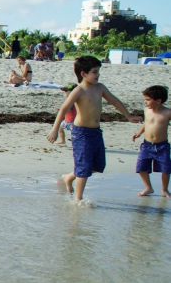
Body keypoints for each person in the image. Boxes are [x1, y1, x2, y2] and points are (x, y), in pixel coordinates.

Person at [46, 56, 141, 202]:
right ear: (83, 73)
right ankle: (78, 200)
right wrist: (55, 129)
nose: (97, 75)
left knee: (97, 165)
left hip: (96, 132)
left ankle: (68, 177)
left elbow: (114, 101)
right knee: (84, 168)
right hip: (81, 133)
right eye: (94, 72)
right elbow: (63, 109)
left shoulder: (100, 88)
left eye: (98, 72)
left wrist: (128, 116)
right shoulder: (79, 91)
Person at [131, 85, 171, 197]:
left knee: (166, 168)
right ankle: (148, 187)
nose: (145, 102)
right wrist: (138, 134)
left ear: (159, 101)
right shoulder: (147, 111)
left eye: (148, 100)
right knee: (141, 167)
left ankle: (164, 190)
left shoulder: (168, 113)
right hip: (147, 145)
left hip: (162, 146)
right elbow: (146, 123)